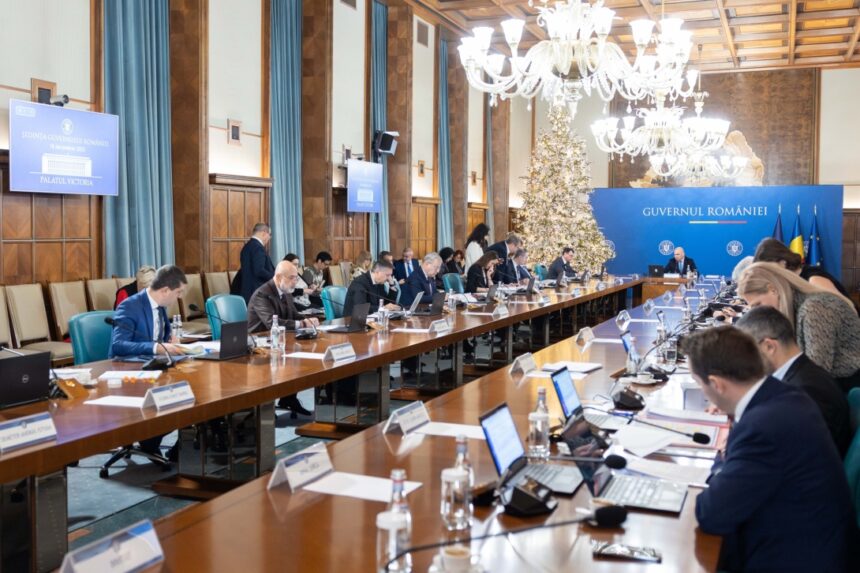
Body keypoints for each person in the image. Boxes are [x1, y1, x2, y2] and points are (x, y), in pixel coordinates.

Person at [682, 327, 856, 573]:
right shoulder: (786, 395)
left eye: (700, 384)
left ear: (717, 384)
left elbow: (712, 514)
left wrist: (722, 459)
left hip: (793, 559)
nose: (703, 392)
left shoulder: (762, 428)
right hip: (817, 542)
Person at [735, 306, 850, 456]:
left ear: (769, 346)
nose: (745, 361)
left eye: (747, 352)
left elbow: (799, 454)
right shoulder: (801, 373)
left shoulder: (806, 391)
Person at [738, 262, 860, 391]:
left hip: (849, 386)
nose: (757, 312)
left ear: (773, 289)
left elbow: (815, 372)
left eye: (757, 304)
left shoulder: (815, 308)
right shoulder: (798, 306)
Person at [109, 265, 188, 457]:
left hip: (155, 367)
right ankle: (148, 439)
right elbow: (118, 345)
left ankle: (163, 445)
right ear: (165, 290)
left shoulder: (160, 306)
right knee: (178, 397)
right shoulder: (130, 306)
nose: (179, 298)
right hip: (130, 371)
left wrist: (170, 341)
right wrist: (155, 347)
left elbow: (160, 335)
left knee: (191, 391)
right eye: (178, 292)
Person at [247, 261, 319, 417]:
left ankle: (289, 398)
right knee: (292, 357)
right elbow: (271, 323)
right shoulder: (262, 294)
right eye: (292, 278)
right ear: (279, 277)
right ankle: (264, 408)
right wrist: (301, 324)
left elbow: (293, 314)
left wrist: (307, 320)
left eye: (296, 278)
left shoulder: (286, 291)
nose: (295, 282)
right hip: (260, 345)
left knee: (302, 358)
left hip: (281, 340)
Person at [754, 237, 857, 311]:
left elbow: (847, 309)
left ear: (783, 263)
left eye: (770, 271)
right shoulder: (790, 282)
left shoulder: (814, 279)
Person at [231, 223, 275, 303]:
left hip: (247, 291)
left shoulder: (247, 246)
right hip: (256, 291)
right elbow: (259, 271)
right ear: (264, 233)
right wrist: (275, 277)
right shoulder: (258, 248)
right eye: (270, 235)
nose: (270, 238)